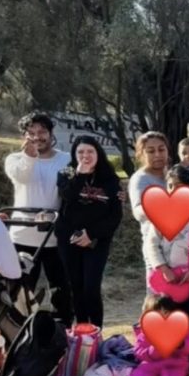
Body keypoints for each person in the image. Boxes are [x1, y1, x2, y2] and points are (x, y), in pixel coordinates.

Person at [4, 111, 73, 325]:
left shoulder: (66, 159)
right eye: (31, 133)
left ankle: (62, 330)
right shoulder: (14, 159)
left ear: (51, 133)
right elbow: (22, 177)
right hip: (22, 234)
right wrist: (29, 156)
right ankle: (18, 331)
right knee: (21, 290)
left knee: (60, 288)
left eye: (42, 131)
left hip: (54, 234)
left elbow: (74, 190)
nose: (37, 137)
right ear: (24, 136)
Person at [54, 135, 122, 327]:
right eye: (81, 152)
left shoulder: (109, 178)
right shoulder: (66, 173)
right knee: (76, 287)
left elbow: (115, 216)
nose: (85, 156)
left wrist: (91, 234)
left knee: (91, 287)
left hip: (97, 240)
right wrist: (80, 175)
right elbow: (67, 196)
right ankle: (82, 329)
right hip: (69, 238)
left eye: (90, 151)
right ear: (74, 154)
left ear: (98, 153)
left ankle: (96, 330)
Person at [143, 165, 189, 329]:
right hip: (166, 277)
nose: (174, 190)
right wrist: (164, 269)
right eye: (170, 186)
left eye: (180, 186)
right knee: (165, 319)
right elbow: (151, 244)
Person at [129, 131, 171, 238]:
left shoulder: (176, 174)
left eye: (161, 149)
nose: (157, 155)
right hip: (156, 242)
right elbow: (138, 211)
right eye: (151, 151)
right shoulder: (140, 178)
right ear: (142, 154)